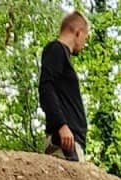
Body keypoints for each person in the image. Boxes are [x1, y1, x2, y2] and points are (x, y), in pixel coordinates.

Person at [39, 11, 90, 162]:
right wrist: (61, 125)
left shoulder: (61, 55)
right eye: (85, 38)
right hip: (65, 144)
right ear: (78, 33)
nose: (84, 44)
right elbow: (45, 88)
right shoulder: (56, 49)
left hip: (69, 143)